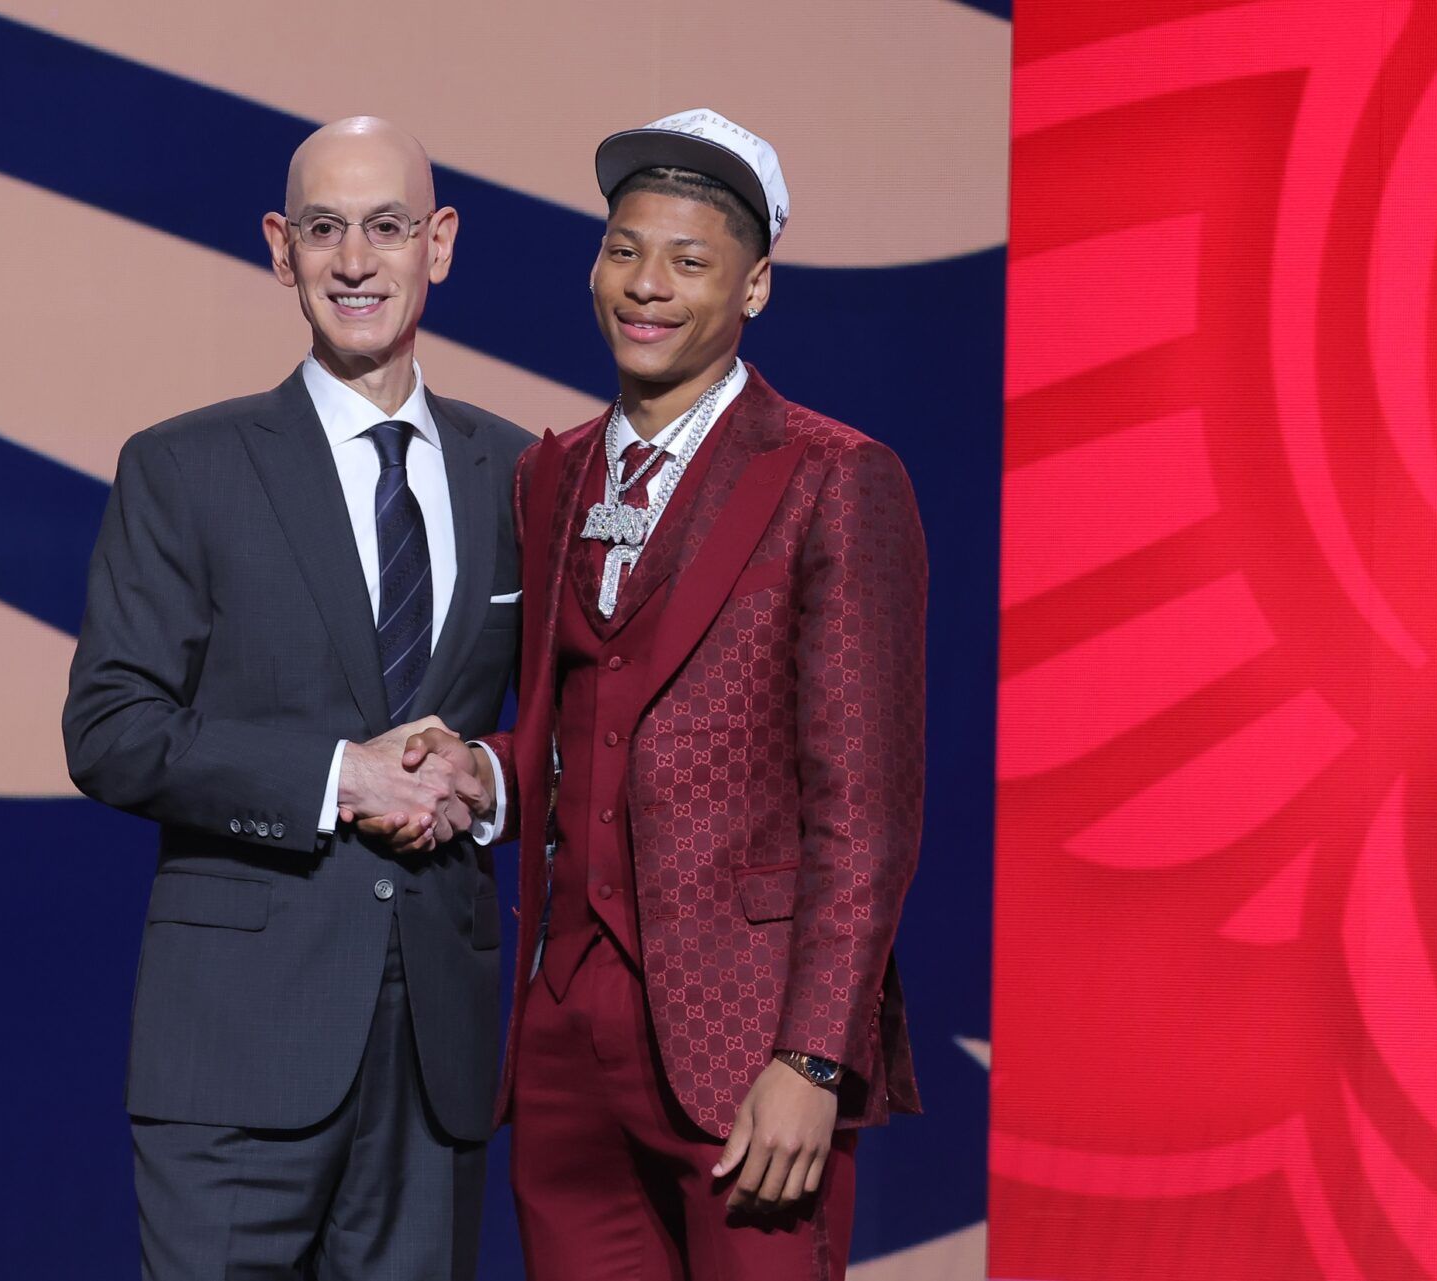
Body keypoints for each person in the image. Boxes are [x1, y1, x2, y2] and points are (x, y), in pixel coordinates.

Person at [395, 108, 928, 1279]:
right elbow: (581, 738)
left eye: (690, 262)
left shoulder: (836, 478)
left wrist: (816, 1060)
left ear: (757, 287)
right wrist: (478, 773)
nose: (648, 287)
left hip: (750, 1054)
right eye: (625, 250)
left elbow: (867, 812)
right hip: (566, 1035)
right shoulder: (554, 472)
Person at [62, 116, 531, 1281]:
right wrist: (338, 777)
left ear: (443, 243)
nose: (357, 260)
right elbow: (113, 729)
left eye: (388, 228)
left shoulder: (525, 475)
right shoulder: (185, 468)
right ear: (282, 249)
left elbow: (579, 730)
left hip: (437, 1055)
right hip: (233, 1052)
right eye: (325, 229)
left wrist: (490, 781)